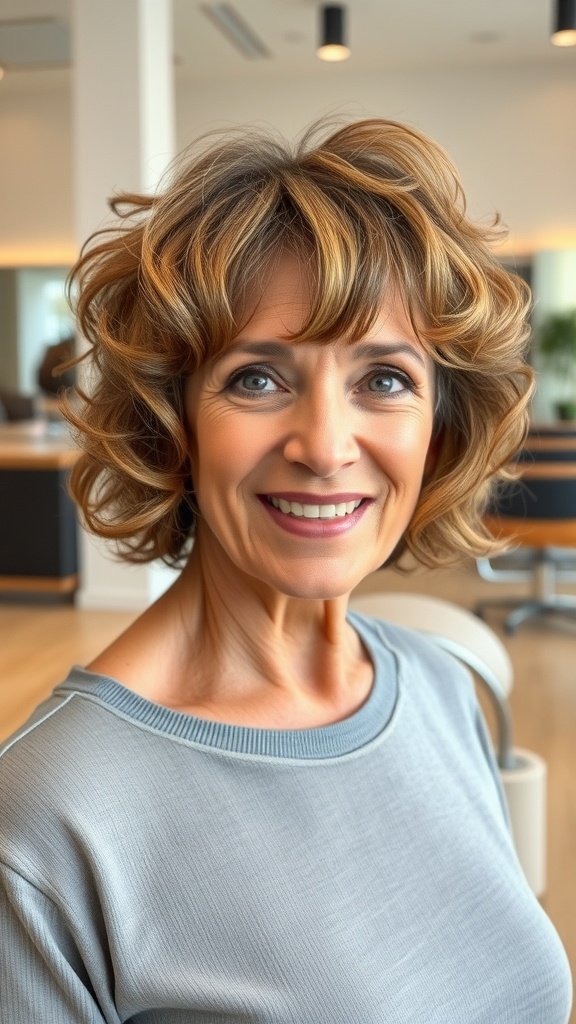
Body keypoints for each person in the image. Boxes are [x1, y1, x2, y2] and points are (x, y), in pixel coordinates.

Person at [0, 118, 572, 1024]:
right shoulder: (49, 822)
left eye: (383, 379)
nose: (325, 447)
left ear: (439, 424)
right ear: (172, 418)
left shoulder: (434, 686)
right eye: (258, 379)